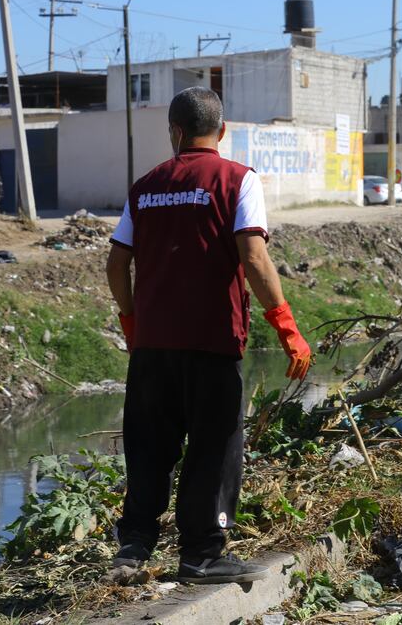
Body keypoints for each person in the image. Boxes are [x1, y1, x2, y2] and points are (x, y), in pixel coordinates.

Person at [106, 87, 313, 583]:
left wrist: (132, 322)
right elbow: (254, 257)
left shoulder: (145, 186)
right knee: (213, 448)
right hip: (212, 343)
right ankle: (201, 555)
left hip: (152, 347)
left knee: (149, 446)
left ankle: (133, 547)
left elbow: (117, 264)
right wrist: (287, 328)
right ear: (221, 132)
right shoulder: (238, 180)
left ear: (174, 133)